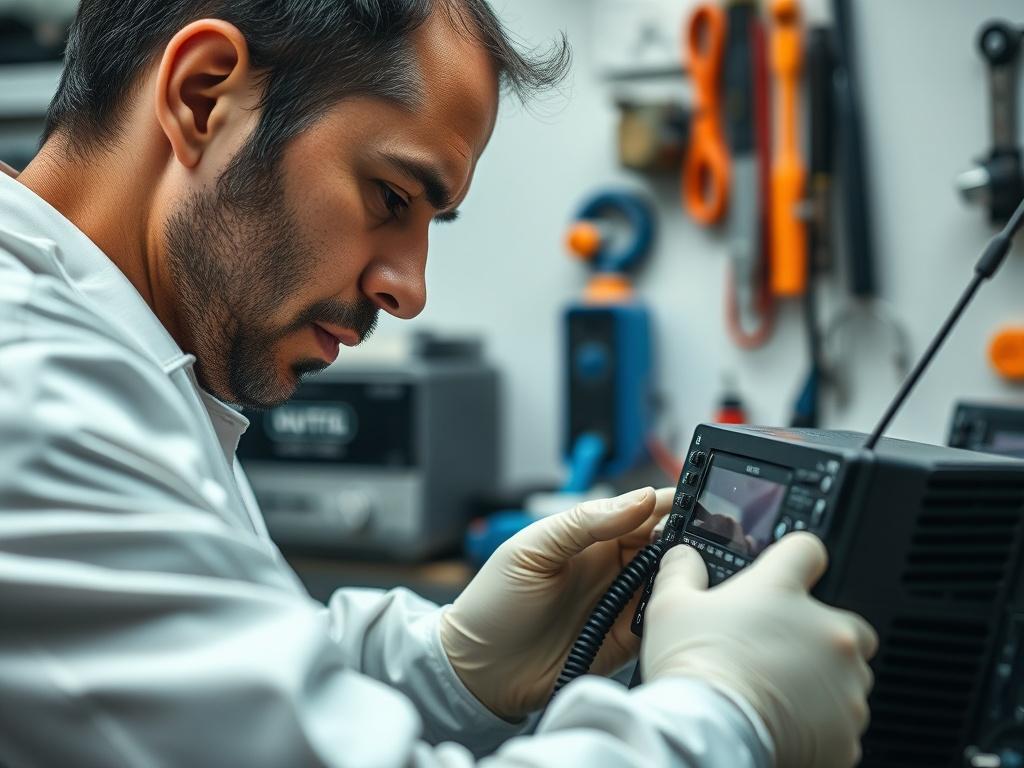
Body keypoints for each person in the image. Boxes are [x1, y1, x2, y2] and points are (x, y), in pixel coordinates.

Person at [0, 2, 877, 766]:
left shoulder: (121, 360)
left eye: (431, 223)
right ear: (203, 95)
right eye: (389, 197)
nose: (408, 292)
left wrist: (452, 664)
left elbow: (211, 679)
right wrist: (726, 714)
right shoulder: (35, 392)